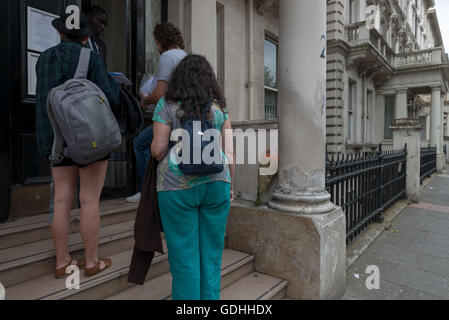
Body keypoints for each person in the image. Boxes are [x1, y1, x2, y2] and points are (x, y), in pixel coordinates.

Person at [35, 12, 120, 278]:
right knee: (89, 200)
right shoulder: (91, 57)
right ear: (86, 36)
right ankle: (92, 262)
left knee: (61, 200)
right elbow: (111, 96)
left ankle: (62, 262)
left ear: (60, 32)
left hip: (56, 139)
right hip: (89, 138)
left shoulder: (44, 58)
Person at [151, 54, 235, 300]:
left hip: (176, 188)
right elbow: (229, 153)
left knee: (184, 259)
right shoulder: (220, 110)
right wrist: (231, 185)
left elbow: (157, 149)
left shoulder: (166, 106)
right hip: (217, 184)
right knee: (211, 256)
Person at [126, 22, 187, 203]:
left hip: (170, 117)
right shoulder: (185, 56)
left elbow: (161, 93)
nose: (156, 46)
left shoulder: (167, 56)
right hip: (185, 117)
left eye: (155, 42)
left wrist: (145, 99)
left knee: (140, 144)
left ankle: (145, 191)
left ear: (161, 40)